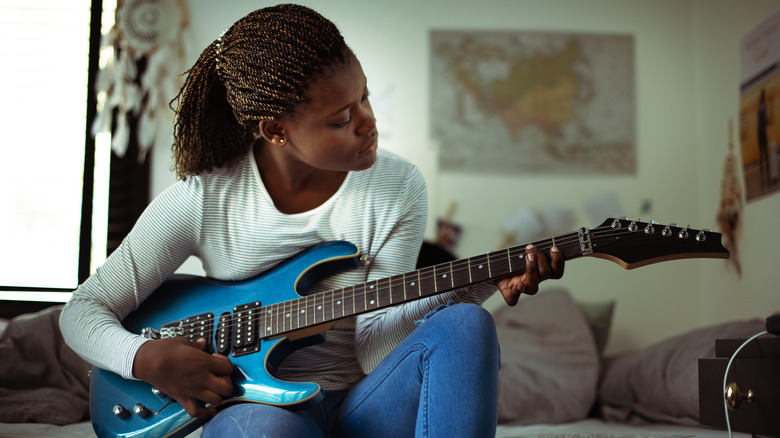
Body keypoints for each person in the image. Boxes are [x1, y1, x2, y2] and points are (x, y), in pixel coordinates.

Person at [60, 4, 565, 437]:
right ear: (277, 129)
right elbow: (82, 310)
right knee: (268, 429)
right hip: (256, 410)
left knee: (467, 325)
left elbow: (375, 344)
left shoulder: (397, 185)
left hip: (361, 405)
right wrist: (145, 360)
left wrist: (479, 285)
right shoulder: (201, 199)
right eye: (342, 118)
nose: (369, 124)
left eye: (364, 96)